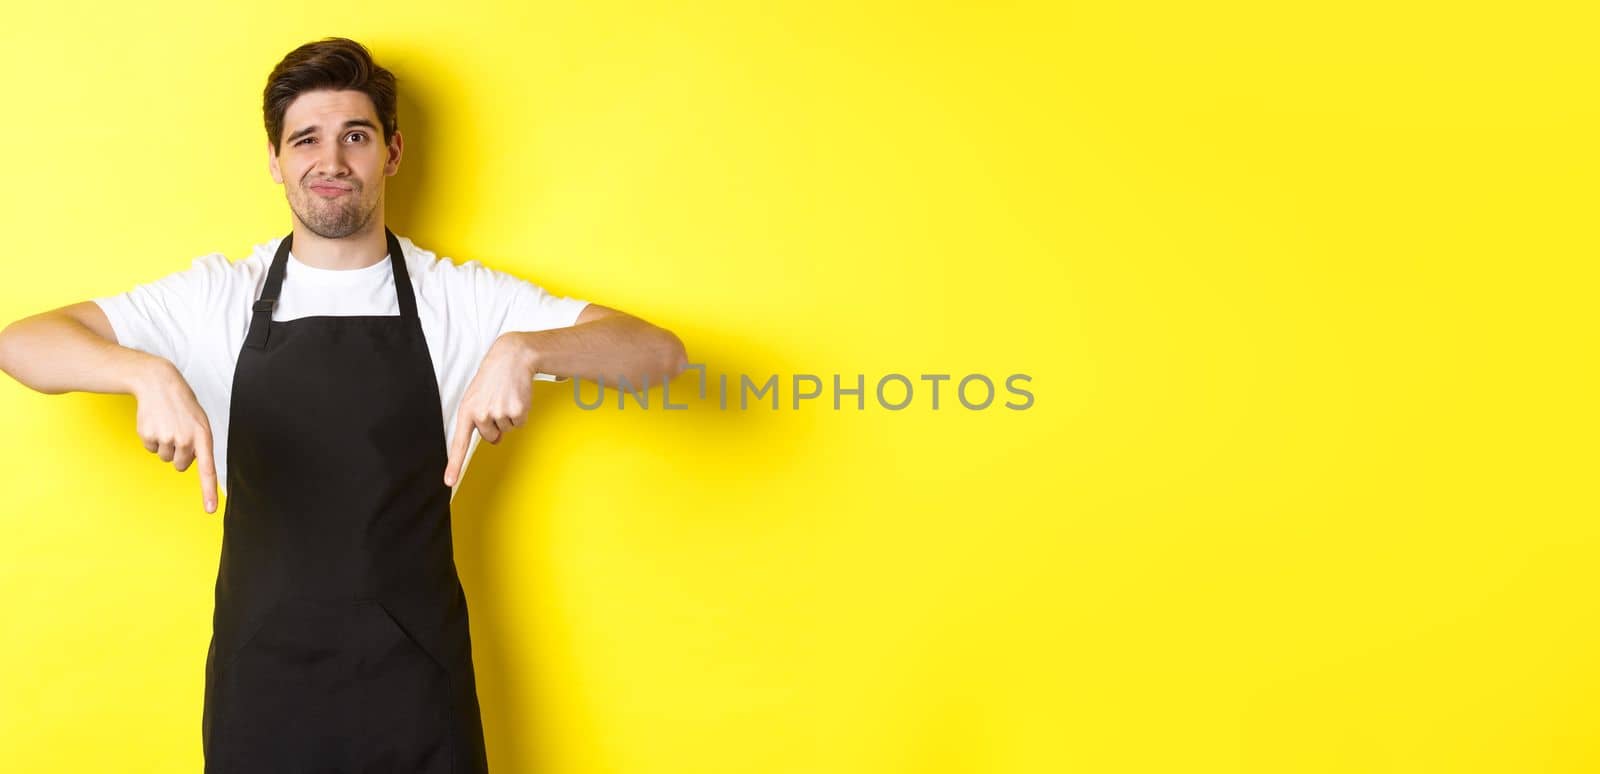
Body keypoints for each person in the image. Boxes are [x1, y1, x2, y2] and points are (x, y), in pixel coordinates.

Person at [0, 37, 686, 773]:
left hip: (417, 686)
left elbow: (657, 355)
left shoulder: (458, 298)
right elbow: (23, 343)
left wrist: (528, 349)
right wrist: (142, 373)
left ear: (390, 153)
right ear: (275, 160)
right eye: (307, 140)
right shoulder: (216, 298)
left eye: (354, 136)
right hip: (262, 684)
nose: (331, 162)